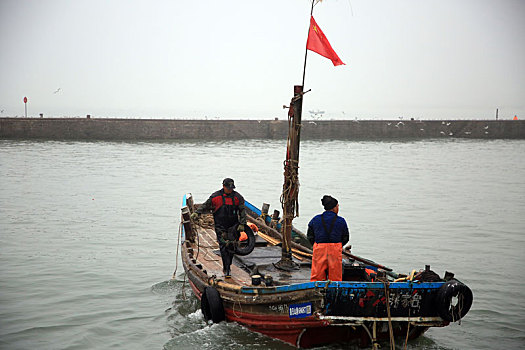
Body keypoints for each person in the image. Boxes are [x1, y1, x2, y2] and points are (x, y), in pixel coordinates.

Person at [190, 178, 247, 278]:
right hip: (220, 226)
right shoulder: (216, 197)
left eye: (231, 188)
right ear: (223, 186)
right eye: (228, 188)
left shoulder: (238, 197)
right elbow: (205, 206)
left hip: (233, 226)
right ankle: (227, 268)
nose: (230, 190)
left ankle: (228, 265)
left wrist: (242, 224)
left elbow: (242, 211)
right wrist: (197, 213)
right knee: (224, 246)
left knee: (232, 246)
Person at [307, 195, 350, 281]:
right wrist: (338, 245)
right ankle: (334, 291)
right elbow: (346, 237)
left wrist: (316, 244)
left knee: (317, 276)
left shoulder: (315, 219)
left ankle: (317, 291)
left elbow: (310, 236)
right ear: (334, 208)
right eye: (338, 206)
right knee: (335, 277)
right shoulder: (341, 221)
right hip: (335, 249)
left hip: (319, 248)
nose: (338, 208)